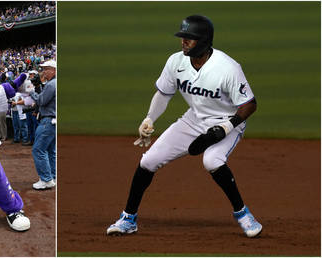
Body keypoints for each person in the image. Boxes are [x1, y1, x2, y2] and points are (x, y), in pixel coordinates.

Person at [106, 15, 262, 238]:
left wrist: (227, 127)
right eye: (183, 37)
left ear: (205, 41)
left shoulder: (227, 67)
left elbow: (249, 104)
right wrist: (149, 119)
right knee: (148, 161)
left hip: (228, 121)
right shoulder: (175, 62)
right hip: (194, 120)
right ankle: (128, 218)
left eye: (190, 38)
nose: (183, 42)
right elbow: (163, 94)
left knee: (212, 161)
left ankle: (243, 214)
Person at [29, 60, 56, 190]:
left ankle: (46, 179)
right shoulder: (53, 83)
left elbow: (41, 101)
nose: (44, 71)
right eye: (43, 69)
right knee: (51, 150)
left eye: (47, 69)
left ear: (54, 70)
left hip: (48, 120)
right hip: (53, 120)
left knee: (38, 149)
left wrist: (31, 92)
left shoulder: (51, 84)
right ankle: (52, 176)